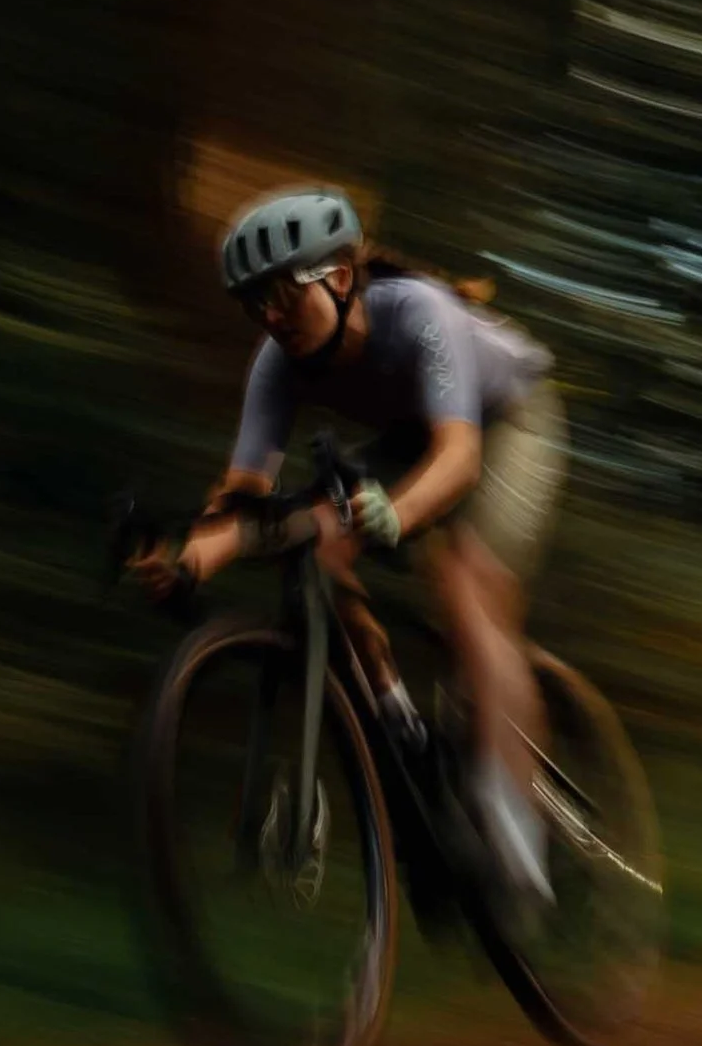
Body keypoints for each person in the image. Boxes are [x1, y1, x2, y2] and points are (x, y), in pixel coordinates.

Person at [145, 184, 566, 906]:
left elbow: (459, 460)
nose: (271, 318)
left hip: (508, 423)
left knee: (467, 585)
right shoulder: (276, 361)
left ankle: (518, 832)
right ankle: (399, 721)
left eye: (282, 294)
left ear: (339, 277)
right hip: (414, 438)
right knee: (314, 544)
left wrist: (394, 515)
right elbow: (245, 496)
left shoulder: (419, 313)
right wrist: (188, 554)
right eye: (255, 304)